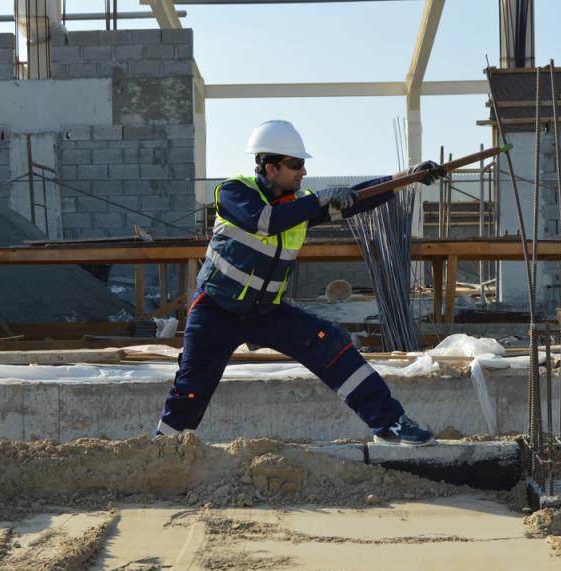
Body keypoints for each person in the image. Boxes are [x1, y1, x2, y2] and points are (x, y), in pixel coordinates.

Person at [155, 120, 445, 445]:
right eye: (295, 165)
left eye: (303, 164)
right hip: (215, 312)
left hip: (266, 312)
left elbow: (358, 199)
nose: (303, 172)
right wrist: (320, 200)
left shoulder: (298, 204)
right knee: (191, 390)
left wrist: (408, 177)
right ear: (271, 167)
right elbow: (265, 222)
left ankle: (390, 424)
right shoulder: (235, 192)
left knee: (331, 343)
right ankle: (164, 450)